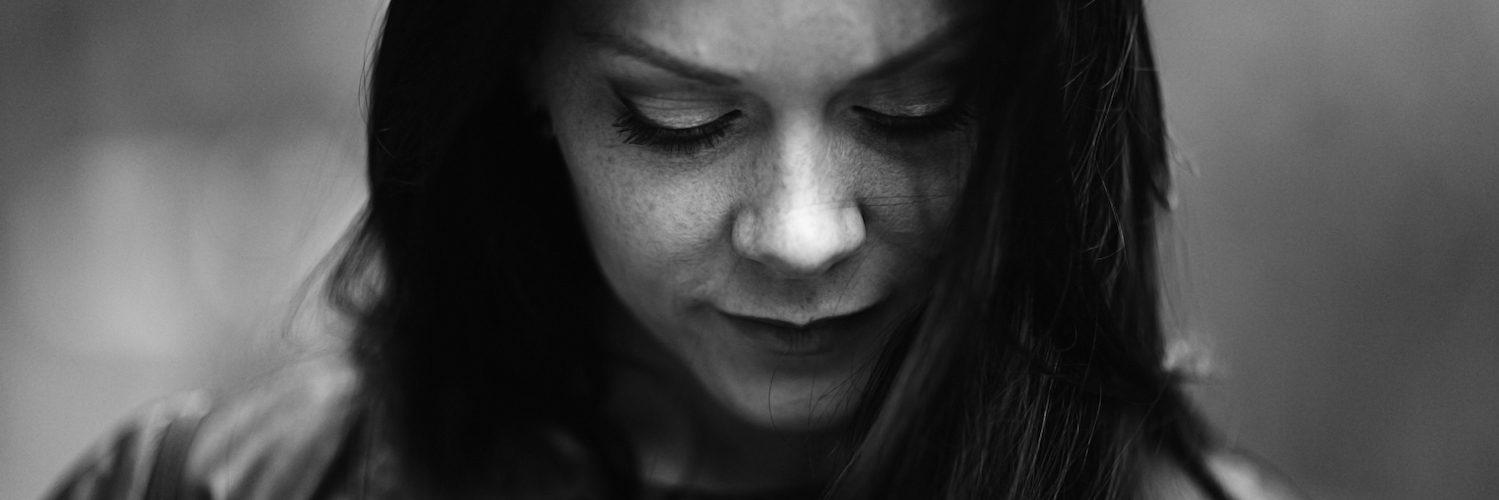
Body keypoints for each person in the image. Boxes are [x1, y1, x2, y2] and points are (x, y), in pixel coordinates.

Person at [44, 0, 1305, 499]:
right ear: (523, 76)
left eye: (911, 111)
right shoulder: (221, 484)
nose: (806, 232)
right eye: (681, 123)